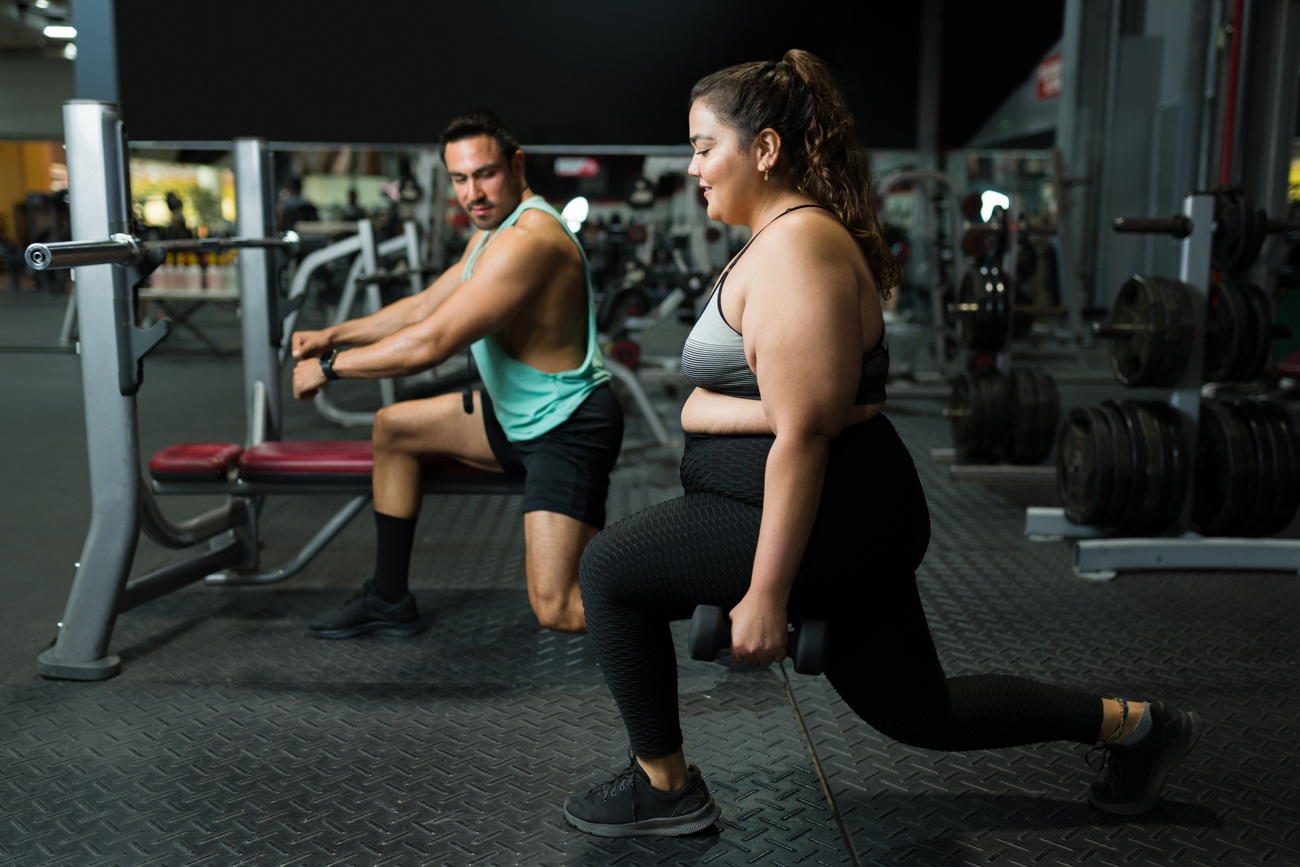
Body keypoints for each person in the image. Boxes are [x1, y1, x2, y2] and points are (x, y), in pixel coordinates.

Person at [563, 49, 1202, 838]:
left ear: (763, 149)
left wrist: (765, 593)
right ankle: (1136, 727)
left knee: (608, 568)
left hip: (828, 515)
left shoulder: (799, 250)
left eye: (703, 146)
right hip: (839, 507)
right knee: (922, 712)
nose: (692, 166)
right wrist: (713, 413)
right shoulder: (776, 239)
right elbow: (789, 411)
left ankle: (664, 789)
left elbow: (804, 435)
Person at [291, 109, 624, 639]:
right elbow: (424, 306)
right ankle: (388, 598)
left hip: (567, 428)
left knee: (557, 608)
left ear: (516, 165)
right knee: (394, 428)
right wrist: (333, 335)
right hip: (512, 416)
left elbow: (432, 342)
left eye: (485, 174)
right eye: (460, 179)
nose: (473, 193)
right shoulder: (490, 233)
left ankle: (715, 608)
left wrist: (330, 368)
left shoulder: (530, 239)